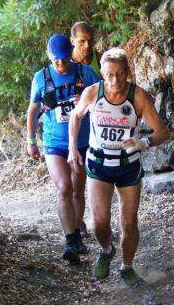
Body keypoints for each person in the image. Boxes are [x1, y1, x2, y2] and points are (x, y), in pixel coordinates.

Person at [68, 48, 169, 287]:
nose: (115, 80)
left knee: (129, 221)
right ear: (102, 74)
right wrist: (72, 148)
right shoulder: (93, 93)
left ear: (128, 73)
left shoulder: (138, 97)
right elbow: (75, 117)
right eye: (110, 74)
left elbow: (163, 132)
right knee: (99, 223)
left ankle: (127, 267)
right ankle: (106, 249)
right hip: (99, 164)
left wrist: (143, 142)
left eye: (120, 74)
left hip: (127, 166)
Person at [26, 34, 100, 264]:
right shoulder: (41, 78)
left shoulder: (85, 73)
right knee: (64, 188)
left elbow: (104, 99)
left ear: (71, 54)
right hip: (54, 143)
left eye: (65, 59)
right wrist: (30, 141)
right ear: (49, 56)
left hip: (82, 141)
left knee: (78, 190)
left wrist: (86, 101)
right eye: (57, 60)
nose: (61, 64)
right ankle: (69, 240)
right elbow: (33, 110)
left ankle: (77, 233)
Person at [70, 21, 100, 238]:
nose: (87, 45)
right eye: (82, 41)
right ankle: (77, 222)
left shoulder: (100, 60)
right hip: (75, 130)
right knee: (75, 182)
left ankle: (97, 220)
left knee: (98, 178)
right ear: (73, 41)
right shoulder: (63, 62)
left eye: (90, 40)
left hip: (99, 129)